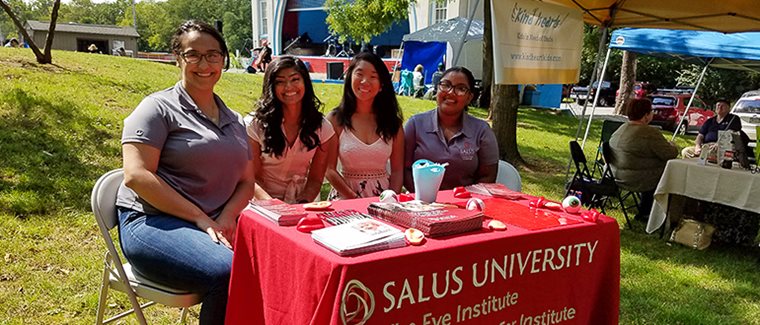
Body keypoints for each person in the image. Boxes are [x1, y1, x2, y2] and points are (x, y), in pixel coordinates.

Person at [116, 20, 254, 324]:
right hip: (152, 222)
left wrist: (227, 217)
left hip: (212, 224)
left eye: (213, 55)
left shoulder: (233, 119)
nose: (204, 64)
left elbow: (247, 180)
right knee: (229, 271)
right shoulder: (157, 108)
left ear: (223, 60)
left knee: (279, 261)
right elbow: (136, 175)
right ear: (177, 58)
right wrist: (201, 219)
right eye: (193, 55)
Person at [247, 55, 336, 203]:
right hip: (260, 203)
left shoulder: (322, 127)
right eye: (280, 82)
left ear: (305, 82)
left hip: (302, 203)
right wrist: (274, 206)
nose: (289, 87)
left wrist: (302, 204)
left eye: (295, 79)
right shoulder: (254, 125)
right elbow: (252, 179)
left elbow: (315, 179)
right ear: (271, 87)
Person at [404, 66, 499, 191]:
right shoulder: (415, 124)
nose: (450, 92)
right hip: (421, 203)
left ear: (469, 97)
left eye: (461, 89)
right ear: (437, 89)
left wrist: (464, 201)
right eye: (445, 85)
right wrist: (424, 197)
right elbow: (403, 169)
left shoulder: (481, 131)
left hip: (465, 204)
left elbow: (488, 176)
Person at [325, 52, 404, 200]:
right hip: (344, 198)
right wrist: (354, 198)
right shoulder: (336, 119)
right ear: (349, 79)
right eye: (359, 74)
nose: (365, 81)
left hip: (383, 200)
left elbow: (398, 171)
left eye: (373, 76)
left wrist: (391, 200)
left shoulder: (393, 123)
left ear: (381, 85)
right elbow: (329, 169)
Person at [608, 98, 679, 221]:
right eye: (651, 111)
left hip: (614, 174)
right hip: (636, 178)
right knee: (672, 172)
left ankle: (647, 209)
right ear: (646, 115)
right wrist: (673, 145)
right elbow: (670, 153)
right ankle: (661, 214)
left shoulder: (621, 128)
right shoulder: (648, 132)